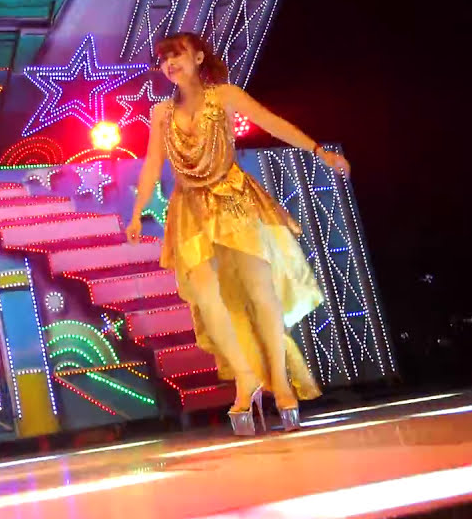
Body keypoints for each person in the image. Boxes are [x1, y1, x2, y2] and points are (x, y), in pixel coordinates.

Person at [127, 31, 349, 436]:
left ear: (198, 57)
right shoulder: (161, 113)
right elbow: (151, 164)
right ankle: (246, 377)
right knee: (207, 297)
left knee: (260, 293)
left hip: (234, 201)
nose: (169, 65)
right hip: (190, 209)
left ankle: (280, 382)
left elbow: (272, 123)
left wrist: (319, 151)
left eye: (176, 55)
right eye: (163, 60)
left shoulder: (225, 96)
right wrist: (137, 212)